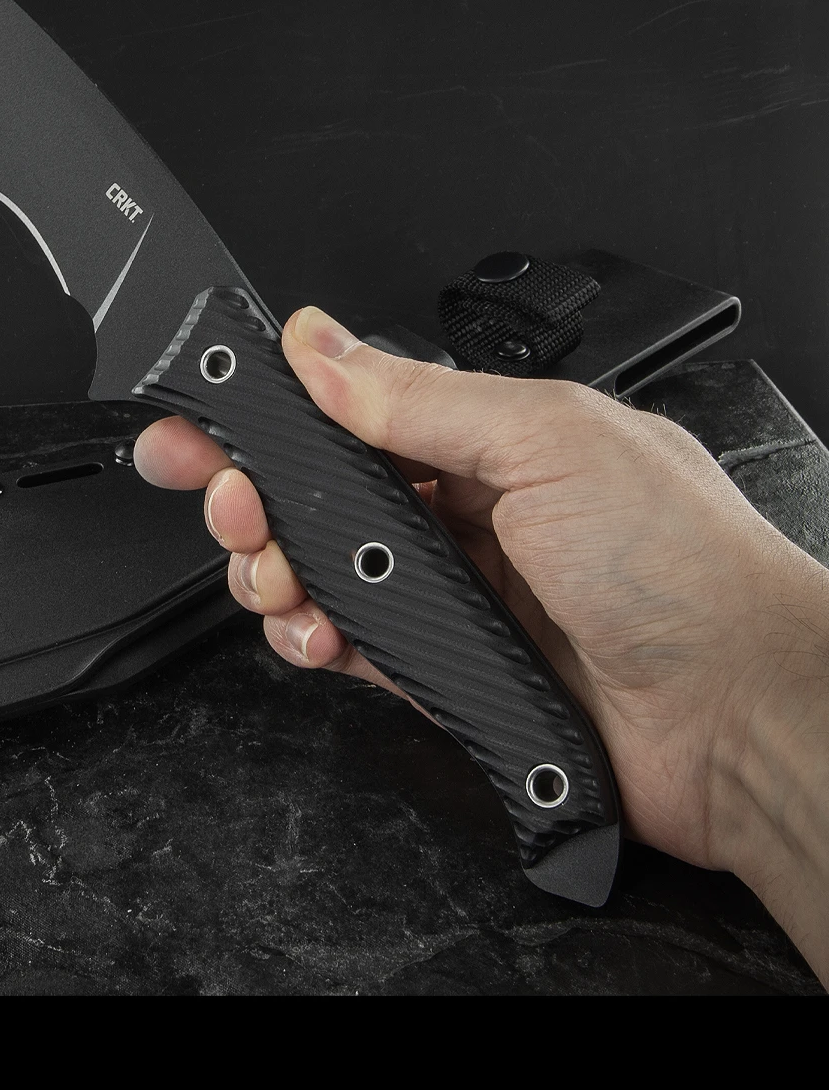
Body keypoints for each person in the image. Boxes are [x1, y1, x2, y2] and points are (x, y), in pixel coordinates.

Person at [134, 305, 829, 987]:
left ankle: (554, 792)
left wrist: (737, 700)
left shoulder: (203, 323)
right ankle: (555, 788)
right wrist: (739, 713)